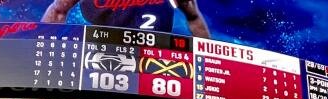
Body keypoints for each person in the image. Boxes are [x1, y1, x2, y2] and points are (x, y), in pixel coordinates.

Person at [41, 0, 210, 37]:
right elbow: (58, 11)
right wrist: (42, 54)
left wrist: (207, 67)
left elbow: (194, 18)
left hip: (152, 59)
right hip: (98, 56)